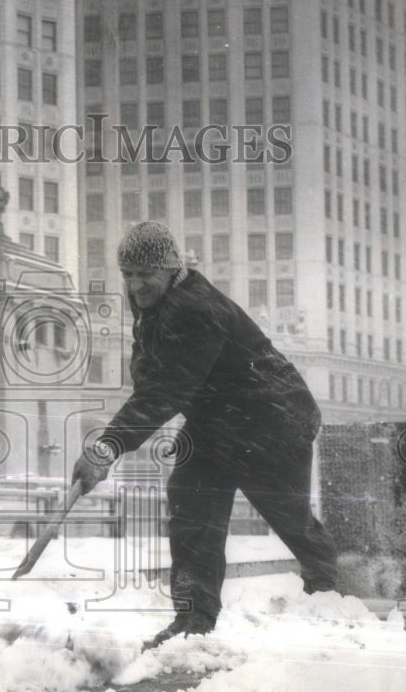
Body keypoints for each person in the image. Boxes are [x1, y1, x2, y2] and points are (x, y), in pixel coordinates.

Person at [72, 222, 339, 649]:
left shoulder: (194, 307)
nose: (136, 284)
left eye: (146, 273)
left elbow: (167, 387)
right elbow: (153, 377)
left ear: (171, 268)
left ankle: (336, 599)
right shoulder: (156, 302)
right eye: (128, 274)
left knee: (290, 520)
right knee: (191, 506)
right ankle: (193, 618)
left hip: (272, 419)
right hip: (218, 422)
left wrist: (109, 446)